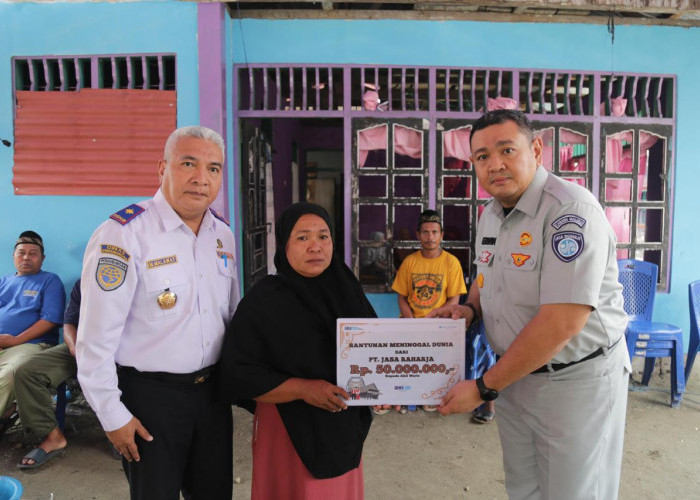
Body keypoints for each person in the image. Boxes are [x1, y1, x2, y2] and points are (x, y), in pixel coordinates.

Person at [429, 109, 630, 500]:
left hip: (573, 381)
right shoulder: (491, 214)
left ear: (536, 149)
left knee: (573, 492)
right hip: (515, 377)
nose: (495, 164)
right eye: (482, 156)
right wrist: (470, 309)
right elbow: (488, 278)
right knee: (525, 488)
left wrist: (485, 387)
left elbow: (562, 322)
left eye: (507, 149)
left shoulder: (570, 213)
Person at [76, 126, 240, 500]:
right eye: (188, 164)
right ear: (162, 168)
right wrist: (112, 415)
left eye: (214, 169)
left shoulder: (223, 234)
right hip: (151, 401)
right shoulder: (123, 234)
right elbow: (94, 338)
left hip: (212, 397)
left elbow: (230, 317)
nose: (202, 179)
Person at [219, 202, 375, 499]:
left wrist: (386, 389)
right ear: (284, 245)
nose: (315, 246)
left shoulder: (347, 290)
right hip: (286, 430)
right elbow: (237, 374)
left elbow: (374, 356)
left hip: (342, 427)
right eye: (303, 238)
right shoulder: (265, 299)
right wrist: (303, 388)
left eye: (323, 236)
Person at [380, 209, 466, 414]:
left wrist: (434, 318)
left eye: (435, 232)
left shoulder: (451, 263)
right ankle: (403, 397)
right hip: (411, 323)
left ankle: (433, 397)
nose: (430, 237)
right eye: (425, 232)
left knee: (436, 367)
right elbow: (401, 296)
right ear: (418, 235)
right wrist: (411, 321)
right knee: (405, 365)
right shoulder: (409, 262)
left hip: (441, 325)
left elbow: (455, 299)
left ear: (441, 235)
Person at [0, 231, 65, 432]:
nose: (26, 257)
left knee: (12, 372)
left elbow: (51, 319)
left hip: (31, 345)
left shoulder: (50, 281)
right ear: (13, 256)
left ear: (42, 259)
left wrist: (15, 340)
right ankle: (8, 410)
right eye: (21, 253)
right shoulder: (3, 282)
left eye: (33, 253)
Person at [15, 279, 80, 469]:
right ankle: (53, 436)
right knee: (27, 372)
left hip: (121, 352)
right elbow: (70, 323)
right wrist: (75, 348)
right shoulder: (83, 284)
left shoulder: (135, 282)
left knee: (131, 372)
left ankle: (124, 429)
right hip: (80, 347)